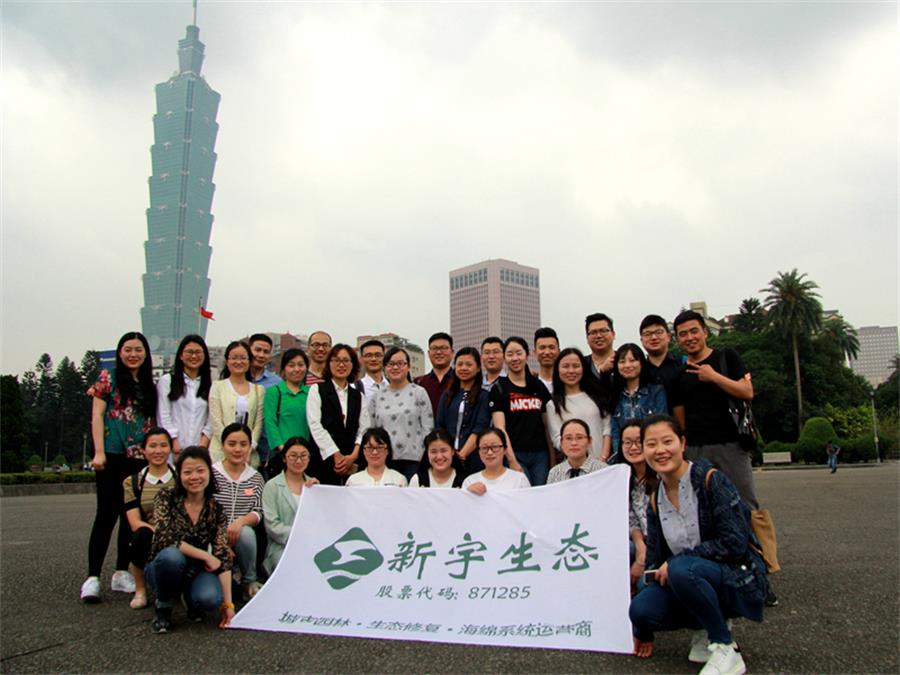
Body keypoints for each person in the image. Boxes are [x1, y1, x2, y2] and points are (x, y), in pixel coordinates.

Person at [629, 414, 767, 674]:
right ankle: (704, 627)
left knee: (682, 569)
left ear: (682, 443)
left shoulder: (710, 480)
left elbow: (734, 543)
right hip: (688, 578)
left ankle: (724, 645)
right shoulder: (656, 499)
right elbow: (654, 562)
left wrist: (677, 562)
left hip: (733, 577)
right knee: (641, 609)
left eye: (667, 441)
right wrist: (641, 629)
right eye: (651, 444)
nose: (660, 450)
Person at [81, 331, 157, 603]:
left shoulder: (149, 384)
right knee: (106, 514)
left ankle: (122, 571)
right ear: (120, 352)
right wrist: (99, 451)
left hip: (139, 458)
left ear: (146, 354)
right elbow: (97, 415)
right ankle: (92, 577)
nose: (133, 354)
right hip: (112, 455)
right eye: (128, 349)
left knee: (130, 516)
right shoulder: (108, 378)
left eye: (138, 350)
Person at [669, 311, 759, 511]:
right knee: (703, 508)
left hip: (732, 445)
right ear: (677, 339)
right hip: (696, 449)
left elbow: (747, 391)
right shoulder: (677, 376)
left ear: (705, 332)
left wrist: (714, 377)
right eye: (683, 334)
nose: (690, 337)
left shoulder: (727, 357)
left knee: (744, 505)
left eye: (694, 331)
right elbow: (680, 422)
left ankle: (753, 534)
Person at [145, 445, 234, 633]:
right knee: (172, 557)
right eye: (187, 472)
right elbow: (166, 537)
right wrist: (206, 555)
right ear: (179, 475)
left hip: (196, 570)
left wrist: (228, 605)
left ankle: (190, 598)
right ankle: (163, 606)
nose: (194, 477)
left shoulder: (216, 509)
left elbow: (222, 555)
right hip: (164, 565)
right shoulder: (166, 497)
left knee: (210, 599)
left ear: (209, 473)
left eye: (200, 471)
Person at [122, 428, 177, 609]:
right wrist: (158, 533)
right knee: (139, 535)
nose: (158, 451)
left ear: (170, 448)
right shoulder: (133, 482)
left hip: (178, 533)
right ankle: (140, 589)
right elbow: (134, 521)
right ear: (143, 450)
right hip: (150, 535)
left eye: (163, 445)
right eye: (152, 446)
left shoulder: (180, 477)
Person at [488, 337, 553, 486]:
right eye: (510, 354)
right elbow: (500, 428)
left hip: (540, 454)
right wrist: (512, 460)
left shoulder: (538, 386)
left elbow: (547, 426)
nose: (515, 358)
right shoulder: (499, 388)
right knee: (521, 492)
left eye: (519, 353)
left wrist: (552, 458)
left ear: (527, 355)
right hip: (515, 452)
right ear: (504, 358)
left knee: (540, 492)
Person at [211, 423, 265, 601]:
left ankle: (249, 581)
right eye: (231, 444)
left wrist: (240, 522)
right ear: (222, 445)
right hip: (213, 534)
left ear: (250, 446)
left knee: (247, 533)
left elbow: (258, 511)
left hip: (239, 534)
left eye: (243, 444)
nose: (237, 449)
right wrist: (221, 536)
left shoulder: (256, 477)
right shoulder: (211, 474)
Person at [305, 344, 371, 485]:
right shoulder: (317, 390)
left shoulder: (358, 395)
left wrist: (353, 456)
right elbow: (315, 425)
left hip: (351, 463)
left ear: (353, 364)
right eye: (336, 360)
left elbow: (364, 429)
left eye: (346, 360)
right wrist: (335, 454)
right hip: (323, 460)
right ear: (329, 363)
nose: (341, 365)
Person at [368, 347, 434, 480]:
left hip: (414, 460)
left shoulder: (419, 392)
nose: (395, 367)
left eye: (400, 363)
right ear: (385, 368)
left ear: (408, 366)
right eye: (391, 364)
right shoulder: (377, 396)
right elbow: (371, 430)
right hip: (384, 459)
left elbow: (428, 428)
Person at [261, 437, 319, 575]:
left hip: (312, 546)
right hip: (282, 547)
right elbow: (272, 525)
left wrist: (318, 493)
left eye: (303, 456)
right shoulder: (272, 486)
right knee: (291, 566)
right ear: (284, 458)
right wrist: (300, 536)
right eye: (293, 456)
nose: (298, 461)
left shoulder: (314, 486)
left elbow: (320, 522)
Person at [546, 347, 613, 462]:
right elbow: (557, 439)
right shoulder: (553, 405)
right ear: (557, 370)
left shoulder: (597, 396)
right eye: (565, 366)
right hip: (574, 465)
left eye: (576, 366)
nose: (571, 371)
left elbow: (607, 427)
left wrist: (603, 457)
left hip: (602, 462)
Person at [208, 341, 264, 466]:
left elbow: (258, 425)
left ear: (249, 361)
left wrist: (248, 448)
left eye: (243, 358)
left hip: (248, 456)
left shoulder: (258, 390)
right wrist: (230, 446)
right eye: (234, 358)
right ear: (227, 361)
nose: (238, 362)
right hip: (220, 454)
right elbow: (216, 421)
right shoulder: (217, 387)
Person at [156, 335, 212, 459]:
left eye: (198, 352)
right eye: (189, 352)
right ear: (181, 355)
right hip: (172, 449)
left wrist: (203, 445)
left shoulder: (210, 385)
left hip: (199, 450)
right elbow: (163, 415)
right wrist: (174, 442)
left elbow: (211, 419)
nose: (194, 356)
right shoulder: (167, 381)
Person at [435, 347, 490, 474]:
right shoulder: (447, 395)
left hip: (474, 457)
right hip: (447, 458)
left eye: (469, 365)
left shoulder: (484, 396)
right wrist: (448, 453)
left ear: (478, 368)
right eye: (459, 364)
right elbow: (440, 426)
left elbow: (480, 429)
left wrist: (462, 455)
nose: (463, 368)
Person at [610, 344, 668, 458]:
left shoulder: (656, 391)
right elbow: (615, 431)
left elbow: (662, 425)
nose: (627, 365)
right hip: (626, 455)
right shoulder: (615, 395)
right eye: (622, 362)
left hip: (652, 453)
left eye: (633, 360)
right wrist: (620, 455)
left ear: (641, 363)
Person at [617, 420, 655, 594]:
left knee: (641, 585)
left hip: (662, 545)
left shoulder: (662, 474)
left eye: (639, 442)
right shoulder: (624, 478)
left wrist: (643, 558)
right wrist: (640, 548)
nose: (633, 447)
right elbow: (631, 519)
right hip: (640, 540)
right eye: (627, 442)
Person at [264, 348, 311, 478]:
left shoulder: (312, 392)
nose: (297, 369)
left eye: (301, 365)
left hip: (307, 455)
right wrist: (283, 449)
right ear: (284, 369)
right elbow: (270, 422)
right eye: (291, 365)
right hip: (282, 454)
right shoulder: (275, 392)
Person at [248, 333, 282, 471]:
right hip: (240, 448)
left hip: (267, 449)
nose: (261, 355)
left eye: (266, 352)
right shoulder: (238, 378)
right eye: (257, 350)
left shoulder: (277, 383)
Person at [462, 429, 530, 493]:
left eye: (495, 447)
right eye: (484, 448)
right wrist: (468, 493)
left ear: (505, 450)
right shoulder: (469, 481)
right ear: (479, 452)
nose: (489, 452)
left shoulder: (519, 480)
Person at [640, 314, 683, 404]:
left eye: (658, 332)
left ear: (669, 337)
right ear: (642, 340)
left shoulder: (682, 364)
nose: (654, 337)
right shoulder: (639, 370)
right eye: (647, 334)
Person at [546, 419, 606, 483]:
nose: (574, 443)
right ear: (561, 442)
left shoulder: (603, 470)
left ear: (589, 441)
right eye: (568, 438)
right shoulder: (555, 473)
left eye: (579, 437)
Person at [415, 332, 455, 415]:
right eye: (434, 348)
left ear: (452, 352)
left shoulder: (461, 380)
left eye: (444, 348)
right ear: (429, 353)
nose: (439, 352)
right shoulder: (418, 383)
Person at [584, 312, 617, 387]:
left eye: (603, 331)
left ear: (613, 334)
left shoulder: (623, 362)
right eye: (593, 332)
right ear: (587, 338)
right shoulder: (581, 365)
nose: (598, 336)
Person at [534, 327, 560, 394]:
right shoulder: (529, 385)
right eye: (542, 348)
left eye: (551, 347)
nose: (547, 352)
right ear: (535, 352)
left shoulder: (567, 384)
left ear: (559, 351)